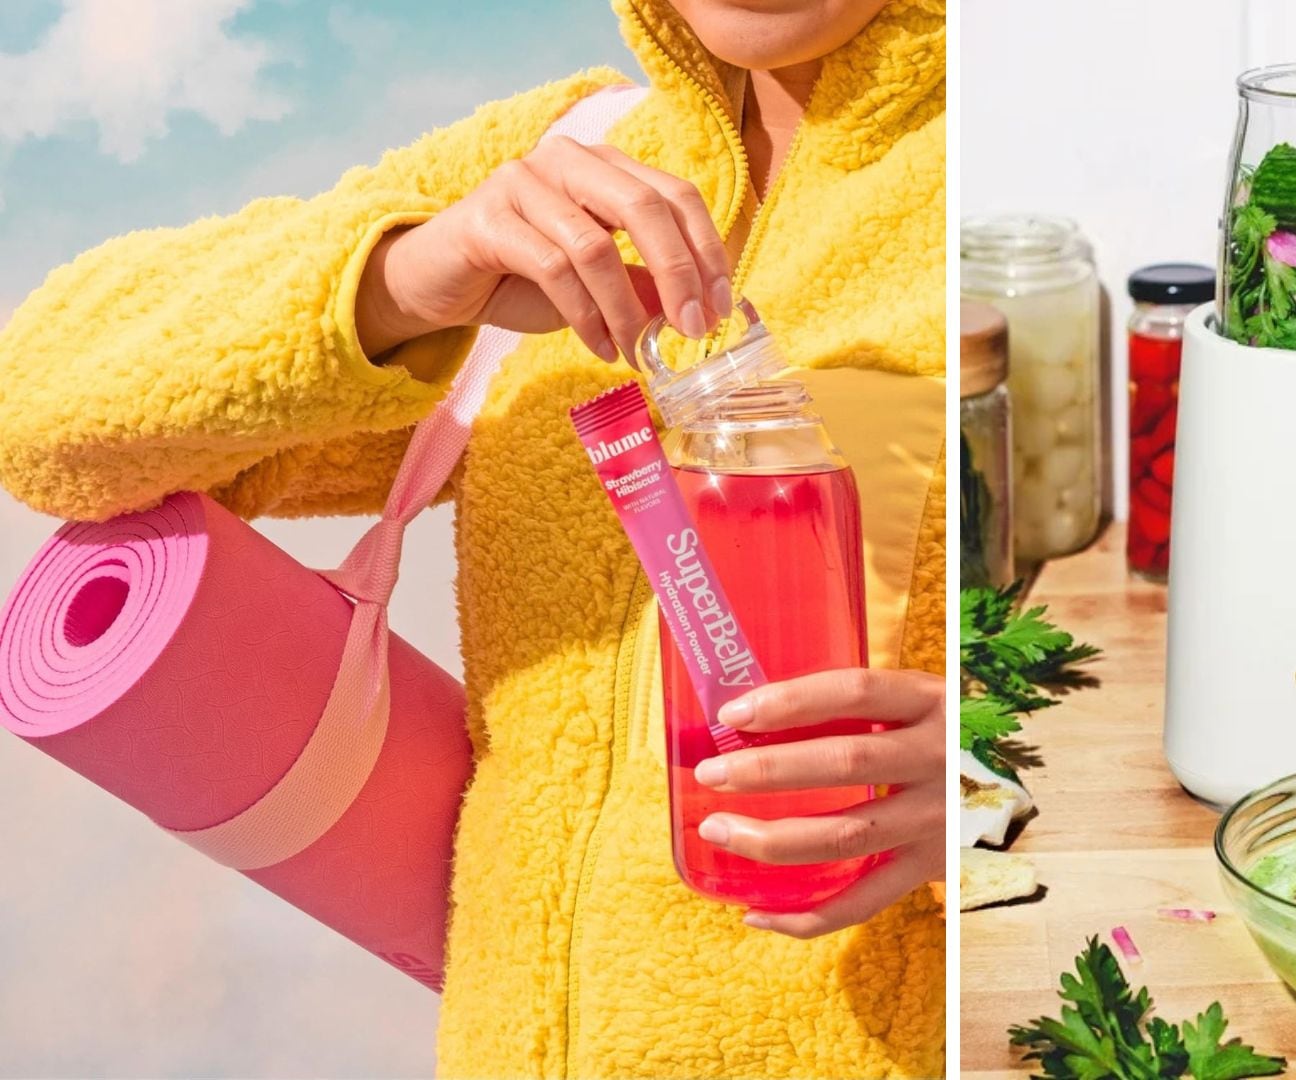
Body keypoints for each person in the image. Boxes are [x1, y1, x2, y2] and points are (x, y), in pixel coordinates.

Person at [0, 0, 946, 1075]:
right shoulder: (569, 158)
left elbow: (1103, 667)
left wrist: (987, 788)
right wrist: (401, 282)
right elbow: (39, 418)